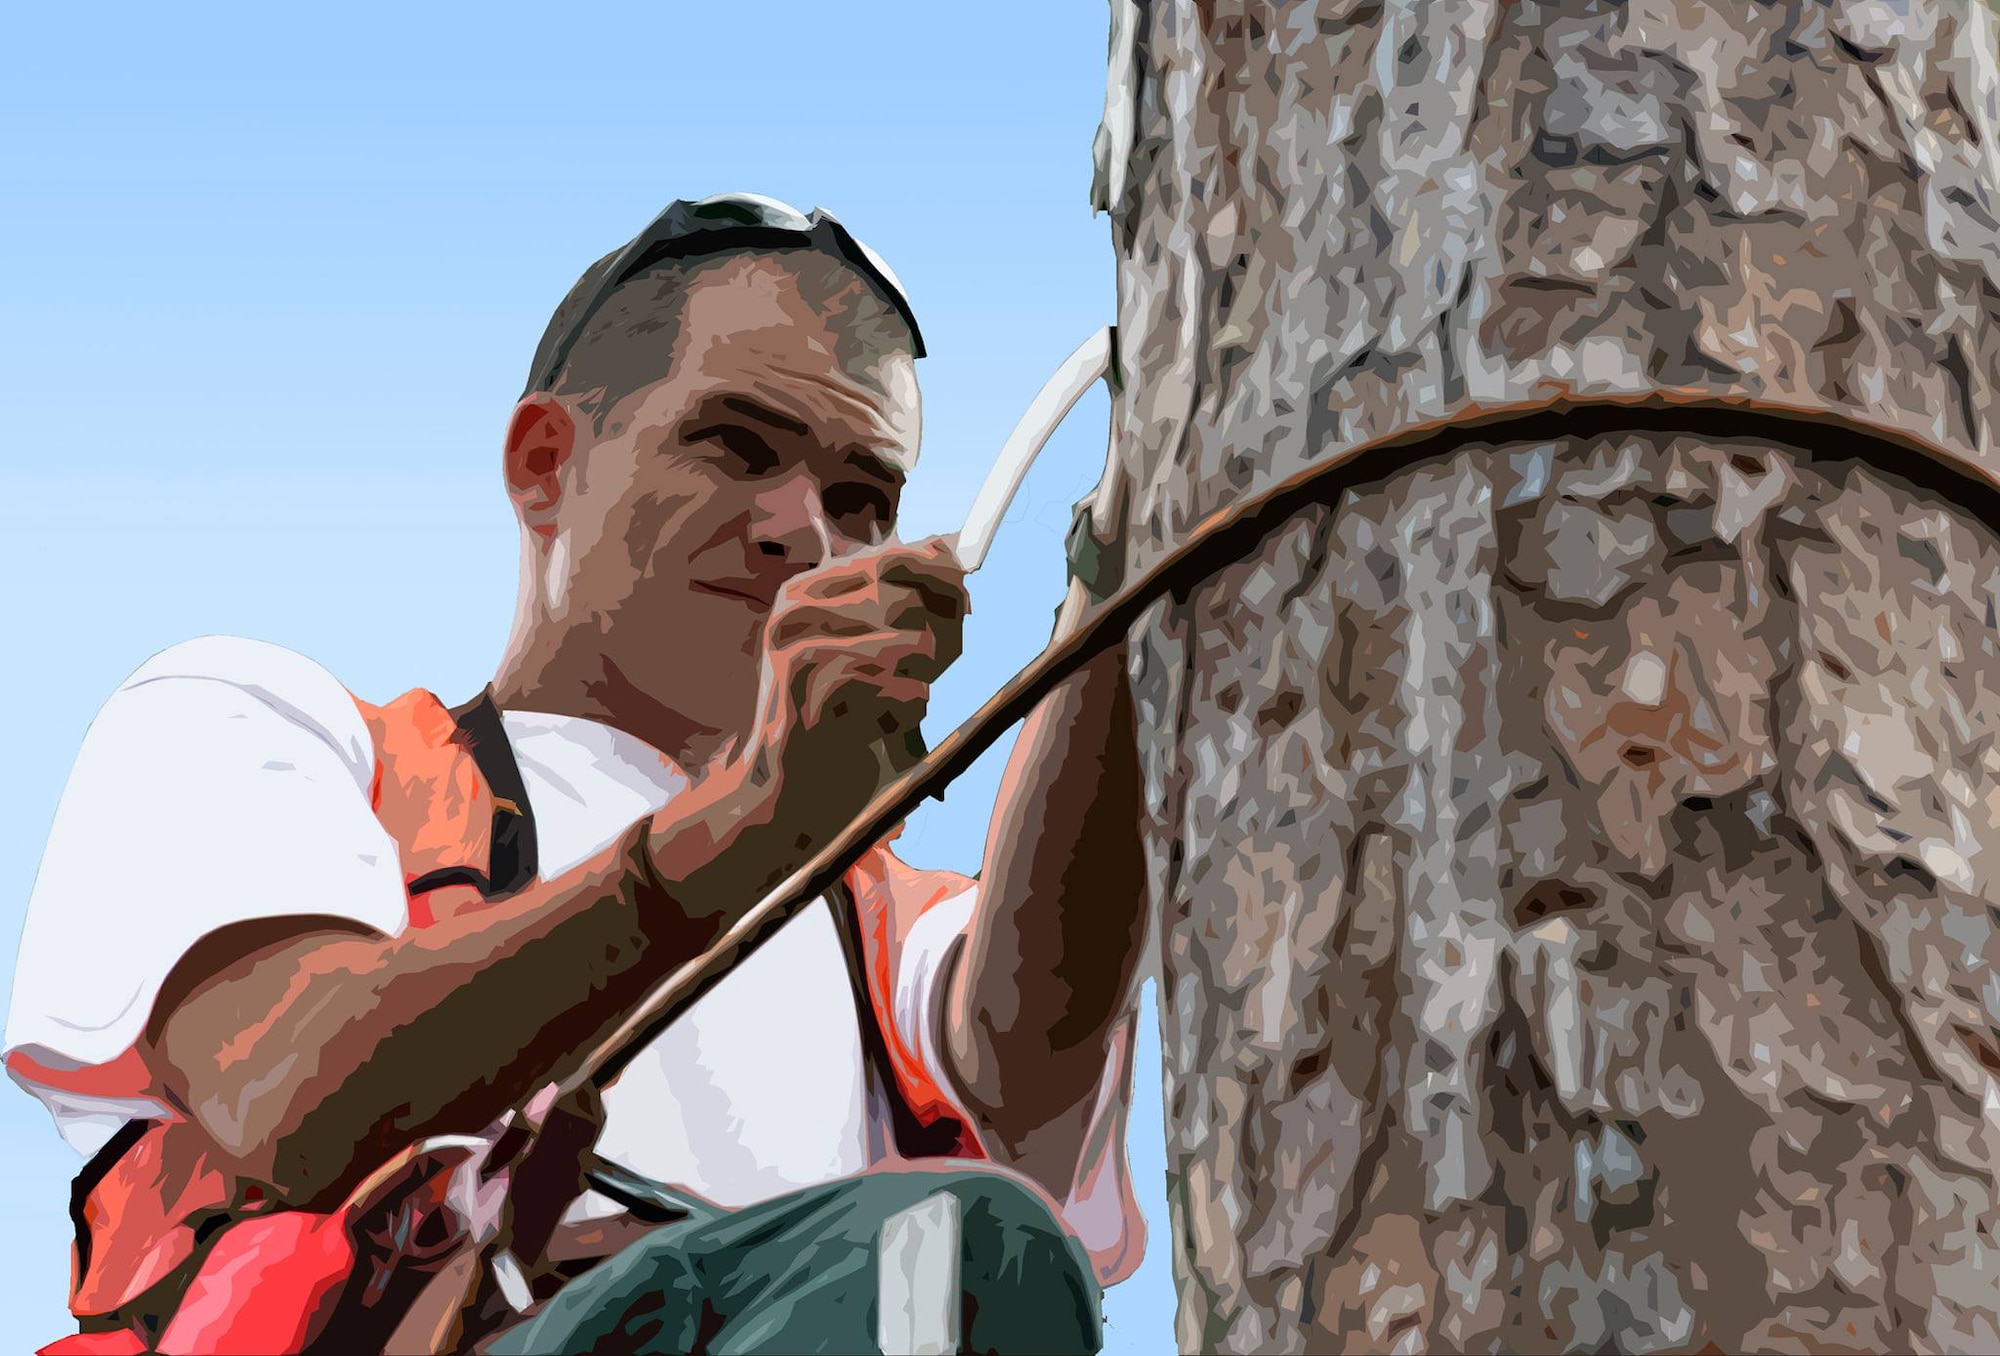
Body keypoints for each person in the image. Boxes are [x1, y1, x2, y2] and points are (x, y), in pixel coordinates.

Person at [6, 194, 1150, 1354]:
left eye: (861, 501)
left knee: (956, 1254)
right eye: (734, 446)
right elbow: (283, 1094)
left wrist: (1121, 580)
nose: (800, 532)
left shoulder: (877, 918)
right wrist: (736, 831)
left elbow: (1029, 1060)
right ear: (545, 465)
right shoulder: (259, 727)